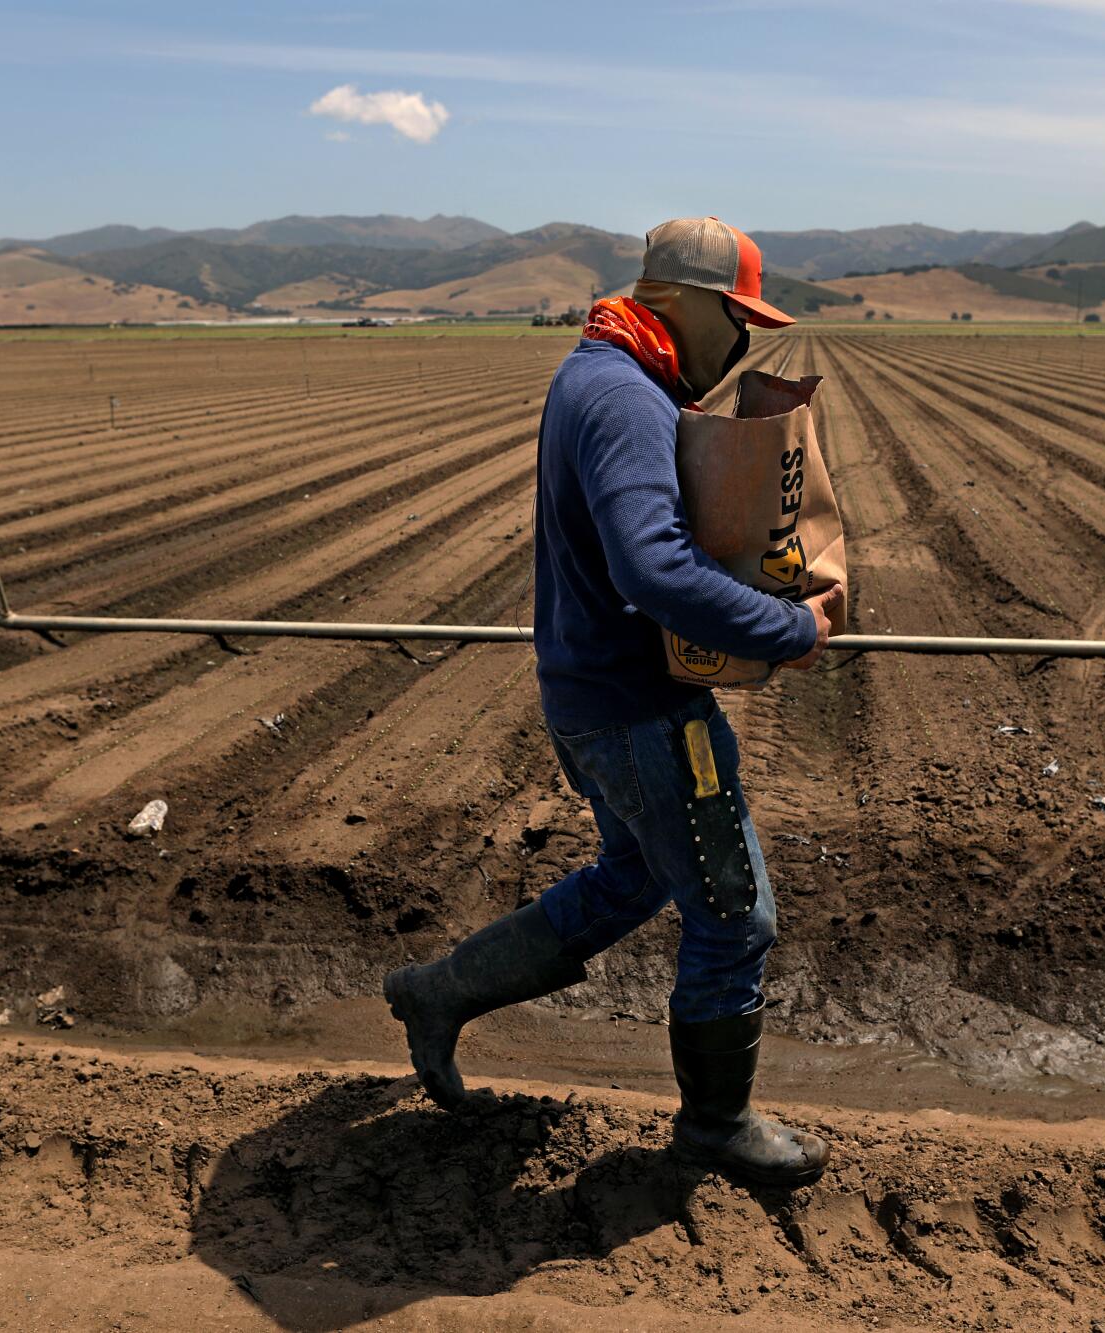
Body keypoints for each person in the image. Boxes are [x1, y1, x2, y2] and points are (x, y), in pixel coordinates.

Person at [386, 217, 841, 1188]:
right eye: (738, 319)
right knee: (734, 914)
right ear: (679, 300)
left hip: (588, 696)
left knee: (632, 879)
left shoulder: (594, 372)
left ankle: (436, 993)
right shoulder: (625, 398)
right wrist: (791, 632)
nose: (744, 343)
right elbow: (654, 567)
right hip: (641, 711)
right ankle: (716, 1124)